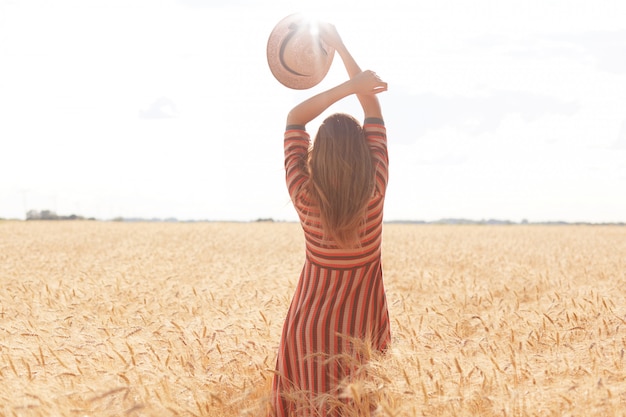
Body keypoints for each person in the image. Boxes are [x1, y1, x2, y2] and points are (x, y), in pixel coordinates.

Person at [269, 23, 391, 417]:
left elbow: (293, 117)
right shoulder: (375, 190)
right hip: (363, 337)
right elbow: (371, 105)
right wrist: (340, 49)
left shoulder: (303, 195)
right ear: (364, 154)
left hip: (308, 334)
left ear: (316, 155)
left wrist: (344, 85)